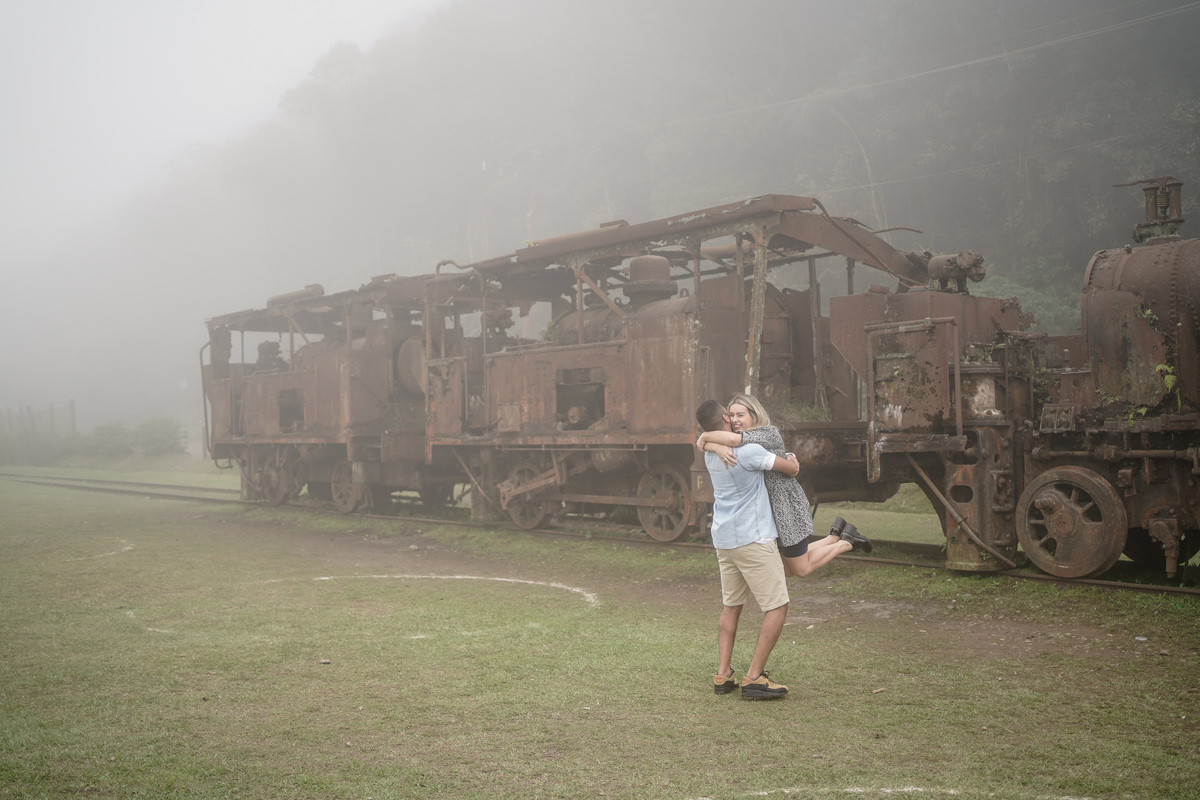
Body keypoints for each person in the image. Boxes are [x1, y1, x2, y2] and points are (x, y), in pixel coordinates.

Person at [696, 393, 872, 579]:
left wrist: (705, 438)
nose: (734, 420)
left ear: (754, 415)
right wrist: (713, 446)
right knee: (783, 568)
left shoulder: (765, 433)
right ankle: (834, 537)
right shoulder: (736, 438)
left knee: (800, 569)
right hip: (767, 513)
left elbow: (729, 441)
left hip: (785, 508)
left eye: (741, 415)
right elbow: (719, 442)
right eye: (731, 415)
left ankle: (847, 541)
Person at [695, 398, 797, 700]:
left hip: (724, 540)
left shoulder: (711, 455)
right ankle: (754, 677)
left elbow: (705, 442)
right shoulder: (751, 452)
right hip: (753, 538)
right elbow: (790, 470)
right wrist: (791, 458)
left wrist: (710, 443)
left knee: (732, 605)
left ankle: (723, 674)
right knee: (777, 606)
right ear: (726, 418)